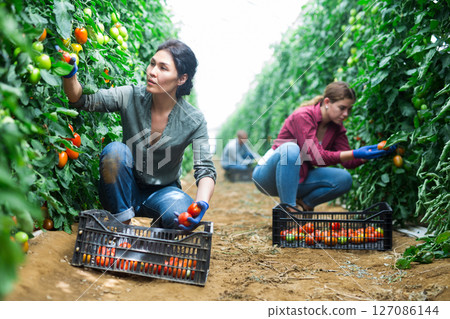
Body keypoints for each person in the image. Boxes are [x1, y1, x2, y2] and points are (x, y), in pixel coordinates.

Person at [62, 39, 216, 230]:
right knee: (115, 151)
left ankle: (159, 234)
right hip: (123, 188)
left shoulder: (194, 120)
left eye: (163, 68)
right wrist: (69, 75)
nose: (152, 71)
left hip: (165, 193)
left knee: (180, 212)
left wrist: (200, 204)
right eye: (152, 63)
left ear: (181, 79)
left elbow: (206, 169)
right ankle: (122, 229)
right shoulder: (130, 96)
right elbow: (81, 99)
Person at [252, 81, 394, 212]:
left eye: (349, 110)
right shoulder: (303, 116)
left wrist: (371, 153)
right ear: (327, 102)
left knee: (344, 179)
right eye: (342, 108)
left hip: (297, 179)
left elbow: (349, 160)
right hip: (267, 176)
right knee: (291, 149)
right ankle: (289, 209)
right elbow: (315, 156)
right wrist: (357, 152)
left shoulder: (337, 128)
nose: (346, 114)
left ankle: (304, 203)